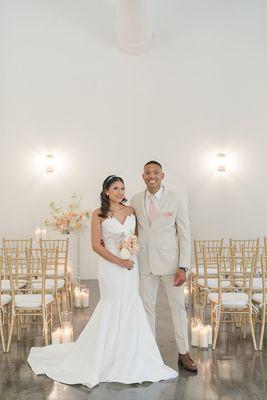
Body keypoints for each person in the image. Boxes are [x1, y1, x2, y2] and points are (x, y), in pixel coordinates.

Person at [27, 175, 178, 387]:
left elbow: (133, 238)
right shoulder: (98, 214)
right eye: (116, 188)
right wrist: (119, 261)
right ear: (106, 191)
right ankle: (104, 357)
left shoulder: (131, 211)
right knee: (112, 305)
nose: (120, 192)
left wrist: (130, 252)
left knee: (131, 304)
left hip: (130, 266)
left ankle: (130, 355)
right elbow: (96, 246)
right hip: (111, 268)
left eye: (123, 188)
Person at [131, 161, 197, 373]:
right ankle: (150, 353)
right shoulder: (134, 199)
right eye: (148, 173)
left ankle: (184, 353)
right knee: (147, 309)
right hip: (145, 264)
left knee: (178, 308)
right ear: (143, 176)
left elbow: (185, 234)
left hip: (172, 265)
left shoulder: (176, 199)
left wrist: (184, 266)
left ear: (162, 175)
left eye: (156, 173)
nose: (152, 176)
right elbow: (135, 233)